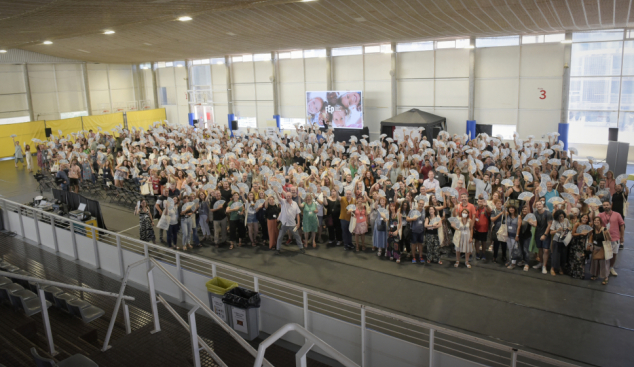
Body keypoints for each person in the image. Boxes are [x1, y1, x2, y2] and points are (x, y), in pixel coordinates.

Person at [598, 201, 624, 277]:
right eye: (604, 205)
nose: (606, 206)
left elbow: (622, 225)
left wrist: (622, 236)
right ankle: (604, 268)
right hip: (604, 238)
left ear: (610, 205)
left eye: (607, 205)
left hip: (615, 238)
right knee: (604, 254)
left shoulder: (617, 214)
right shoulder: (600, 215)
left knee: (614, 254)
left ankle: (611, 267)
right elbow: (594, 221)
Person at [532, 201, 553, 275]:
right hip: (538, 234)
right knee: (540, 250)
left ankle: (544, 266)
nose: (538, 206)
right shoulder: (535, 213)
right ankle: (541, 263)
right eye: (537, 205)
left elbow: (549, 225)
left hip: (546, 234)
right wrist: (531, 223)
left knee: (546, 250)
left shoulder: (548, 213)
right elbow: (535, 223)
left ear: (542, 205)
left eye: (539, 204)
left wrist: (545, 234)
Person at [588, 216, 611, 285]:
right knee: (595, 262)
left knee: (603, 263)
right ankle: (595, 274)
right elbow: (591, 238)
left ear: (600, 222)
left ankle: (606, 277)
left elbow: (609, 239)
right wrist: (590, 245)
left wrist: (607, 234)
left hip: (602, 248)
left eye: (598, 220)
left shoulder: (604, 230)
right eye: (595, 220)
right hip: (595, 247)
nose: (596, 222)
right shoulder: (593, 230)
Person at [569, 213, 591, 280]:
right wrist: (580, 233)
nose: (584, 219)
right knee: (575, 258)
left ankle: (580, 273)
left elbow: (590, 235)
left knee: (582, 258)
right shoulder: (577, 224)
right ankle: (574, 273)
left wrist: (589, 244)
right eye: (583, 217)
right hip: (576, 243)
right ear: (581, 218)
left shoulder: (588, 225)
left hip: (583, 243)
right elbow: (573, 233)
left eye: (586, 218)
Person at [549, 210, 571, 276]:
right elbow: (551, 232)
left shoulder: (566, 220)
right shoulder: (555, 222)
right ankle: (552, 268)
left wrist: (568, 228)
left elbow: (570, 227)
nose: (561, 218)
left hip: (564, 240)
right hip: (557, 240)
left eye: (562, 216)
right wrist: (557, 230)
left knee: (563, 255)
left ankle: (561, 268)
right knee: (555, 255)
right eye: (559, 217)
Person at [406, 199, 426, 264]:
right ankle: (413, 257)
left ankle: (420, 256)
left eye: (422, 204)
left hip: (421, 231)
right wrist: (412, 219)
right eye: (420, 203)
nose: (421, 205)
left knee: (420, 244)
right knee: (413, 244)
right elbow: (407, 219)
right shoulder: (412, 211)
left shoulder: (424, 211)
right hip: (414, 230)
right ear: (417, 203)